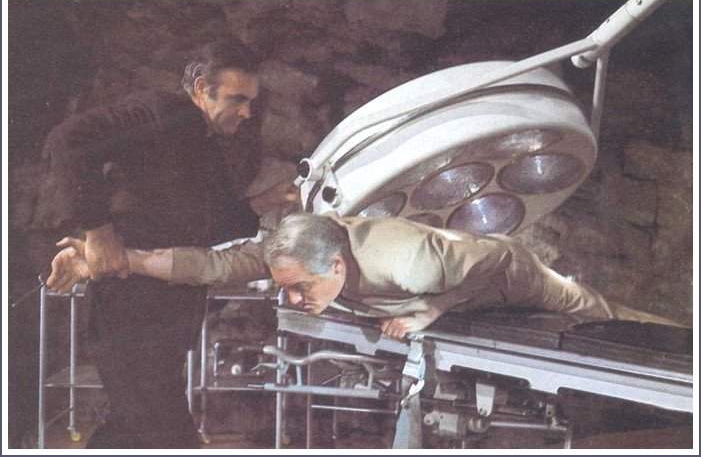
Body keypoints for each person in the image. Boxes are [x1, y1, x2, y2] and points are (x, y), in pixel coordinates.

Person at [39, 40, 292, 448]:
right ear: (200, 89)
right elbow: (68, 140)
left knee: (137, 430)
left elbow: (208, 227)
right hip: (131, 314)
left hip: (163, 321)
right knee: (161, 433)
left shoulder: (204, 142)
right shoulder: (162, 113)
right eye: (237, 99)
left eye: (251, 101)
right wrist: (98, 232)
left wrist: (269, 201)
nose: (246, 112)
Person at [47, 213, 682, 341]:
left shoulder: (413, 262)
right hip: (440, 292)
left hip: (508, 275)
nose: (293, 298)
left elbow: (498, 258)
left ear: (338, 266)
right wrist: (121, 260)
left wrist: (434, 309)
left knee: (594, 313)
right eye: (287, 287)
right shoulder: (291, 251)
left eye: (301, 288)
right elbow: (211, 264)